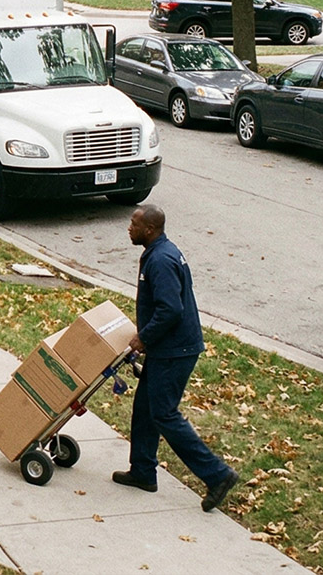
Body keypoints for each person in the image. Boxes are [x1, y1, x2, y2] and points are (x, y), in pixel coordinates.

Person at [111, 204, 238, 512]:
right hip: (169, 347)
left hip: (175, 350)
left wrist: (144, 338)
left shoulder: (161, 260)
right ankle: (143, 471)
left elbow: (171, 309)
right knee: (145, 408)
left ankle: (218, 475)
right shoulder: (159, 252)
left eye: (135, 223)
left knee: (164, 414)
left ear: (150, 230)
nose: (129, 227)